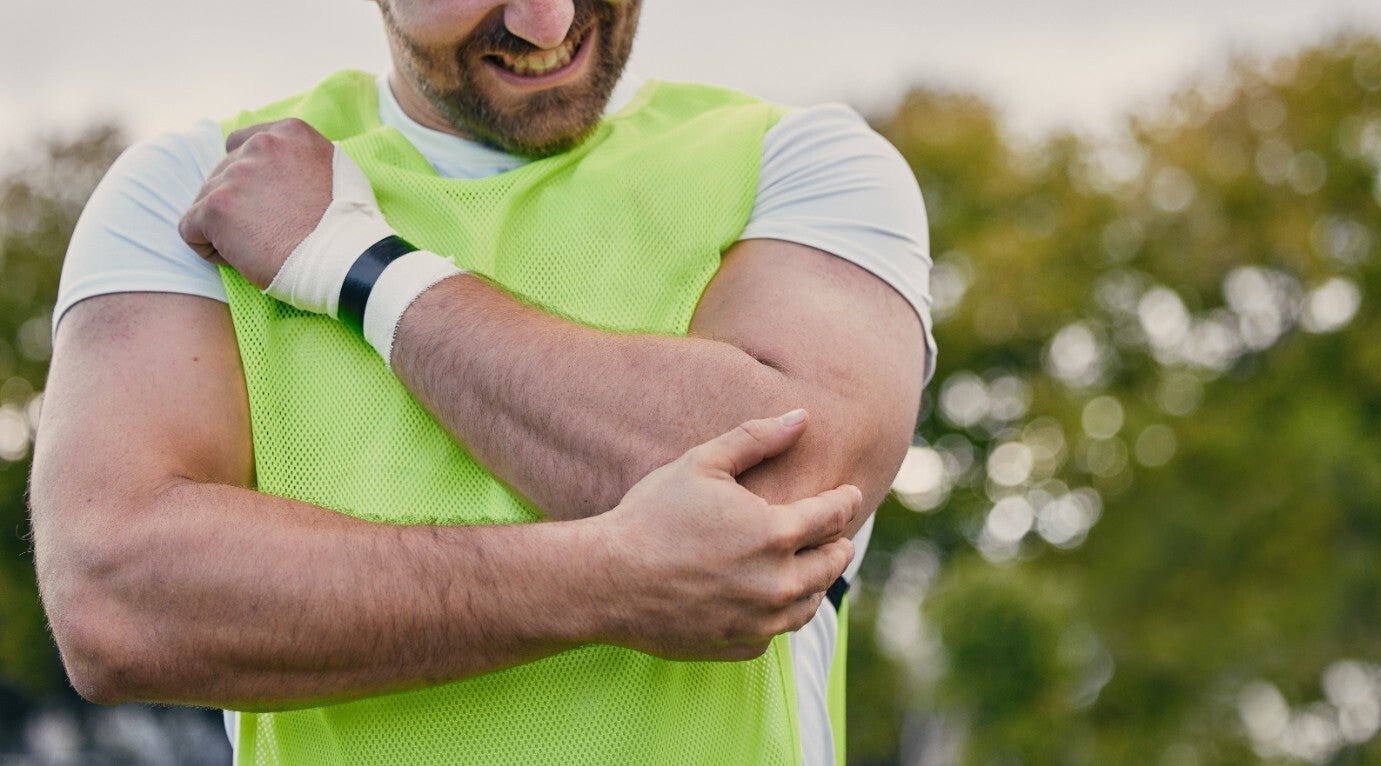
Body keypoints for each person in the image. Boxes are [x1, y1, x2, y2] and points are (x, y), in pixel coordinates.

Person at [28, 0, 933, 763]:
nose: (548, 20)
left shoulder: (801, 164)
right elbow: (117, 598)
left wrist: (356, 263)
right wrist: (602, 578)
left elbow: (775, 498)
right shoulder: (201, 188)